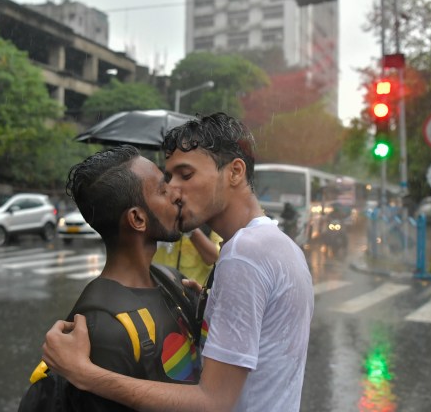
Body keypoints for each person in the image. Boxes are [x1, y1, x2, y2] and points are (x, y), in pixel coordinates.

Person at [41, 112, 315, 412]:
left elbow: (213, 402)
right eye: (167, 181)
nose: (174, 191)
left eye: (186, 175)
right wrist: (212, 312)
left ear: (235, 172)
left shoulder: (244, 255)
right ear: (136, 218)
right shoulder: (279, 245)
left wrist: (84, 374)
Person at [32, 145, 200, 410]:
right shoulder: (101, 328)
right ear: (137, 219)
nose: (176, 194)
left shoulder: (174, 281)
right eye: (163, 190)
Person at [153, 224, 221, 284]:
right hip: (157, 288)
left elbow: (215, 260)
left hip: (190, 294)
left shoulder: (208, 217)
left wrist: (191, 229)